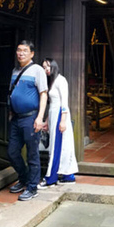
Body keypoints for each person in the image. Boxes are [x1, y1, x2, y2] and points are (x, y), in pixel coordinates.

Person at [7, 40, 48, 201]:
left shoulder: (37, 70)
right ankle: (23, 178)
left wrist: (40, 117)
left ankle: (32, 187)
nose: (20, 53)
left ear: (32, 53)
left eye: (24, 50)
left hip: (31, 117)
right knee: (12, 152)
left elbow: (43, 94)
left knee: (32, 154)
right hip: (16, 118)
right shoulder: (15, 71)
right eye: (18, 50)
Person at [38, 58, 78, 189]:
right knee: (60, 147)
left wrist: (63, 120)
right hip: (53, 115)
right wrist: (47, 121)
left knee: (57, 147)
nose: (46, 70)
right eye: (44, 67)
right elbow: (51, 106)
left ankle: (51, 178)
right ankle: (68, 176)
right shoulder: (51, 82)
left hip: (61, 115)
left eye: (48, 66)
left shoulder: (61, 80)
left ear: (54, 66)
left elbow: (64, 103)